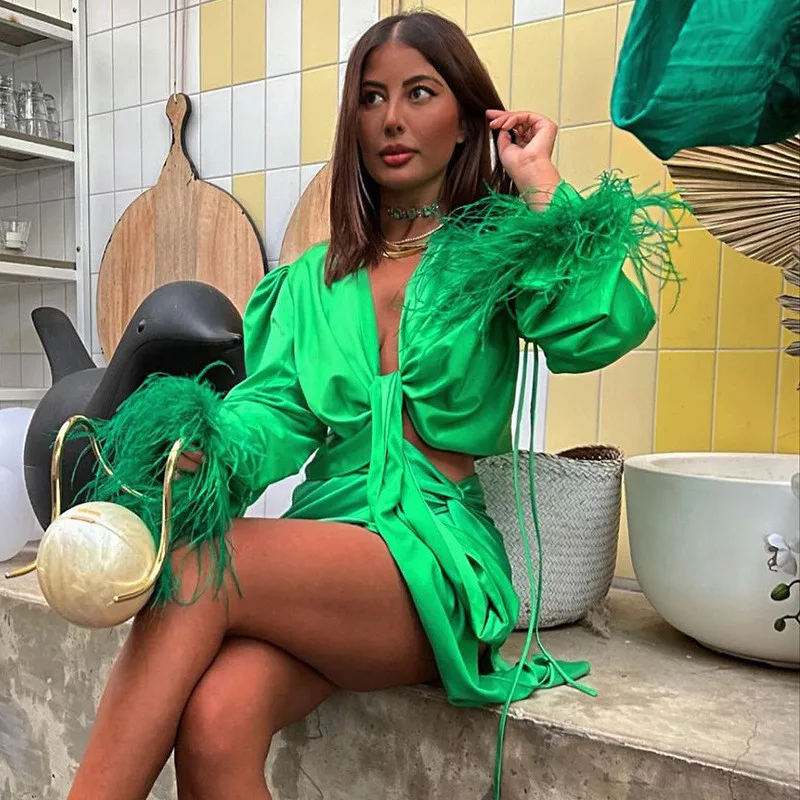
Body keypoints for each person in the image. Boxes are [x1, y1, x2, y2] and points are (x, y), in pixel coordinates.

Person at [67, 11, 681, 800]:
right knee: (217, 719)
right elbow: (276, 412)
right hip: (331, 551)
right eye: (370, 97)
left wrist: (539, 183)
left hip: (439, 556)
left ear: (467, 119)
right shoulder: (310, 282)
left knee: (198, 562)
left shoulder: (496, 254)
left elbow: (597, 331)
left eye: (419, 93)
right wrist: (209, 446)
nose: (391, 118)